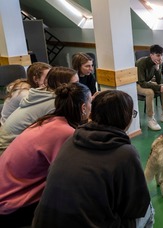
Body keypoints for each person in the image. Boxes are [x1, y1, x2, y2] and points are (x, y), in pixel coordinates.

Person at [32, 90, 154, 227]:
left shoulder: (71, 139)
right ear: (125, 118)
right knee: (149, 208)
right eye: (132, 114)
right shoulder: (125, 154)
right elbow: (136, 208)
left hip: (44, 222)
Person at [0, 83, 91, 227]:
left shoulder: (48, 120)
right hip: (12, 207)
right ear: (83, 108)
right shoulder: (65, 133)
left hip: (5, 194)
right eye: (90, 101)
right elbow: (71, 177)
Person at [0, 67, 79, 154]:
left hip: (8, 143)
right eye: (75, 84)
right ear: (61, 84)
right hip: (8, 149)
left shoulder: (41, 93)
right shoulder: (55, 103)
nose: (79, 87)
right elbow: (69, 131)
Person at [136, 44, 163, 131]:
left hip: (147, 82)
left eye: (161, 55)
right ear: (151, 55)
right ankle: (150, 119)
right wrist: (158, 87)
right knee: (150, 92)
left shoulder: (156, 63)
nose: (160, 58)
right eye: (158, 55)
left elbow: (160, 82)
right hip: (137, 84)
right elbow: (142, 83)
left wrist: (157, 69)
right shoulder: (141, 63)